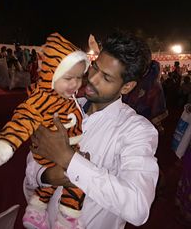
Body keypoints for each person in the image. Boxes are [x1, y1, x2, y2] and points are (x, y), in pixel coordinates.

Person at [26, 30, 159, 229]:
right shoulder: (63, 107)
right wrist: (46, 176)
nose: (93, 79)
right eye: (95, 67)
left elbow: (138, 207)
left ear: (127, 87)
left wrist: (69, 160)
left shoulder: (137, 130)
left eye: (106, 77)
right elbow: (32, 163)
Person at [0, 32, 90, 229]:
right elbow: (24, 118)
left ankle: (35, 211)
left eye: (79, 77)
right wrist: (6, 143)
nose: (75, 84)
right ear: (51, 75)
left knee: (53, 186)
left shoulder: (66, 98)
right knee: (79, 184)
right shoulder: (42, 99)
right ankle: (66, 220)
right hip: (52, 151)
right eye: (69, 78)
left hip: (63, 150)